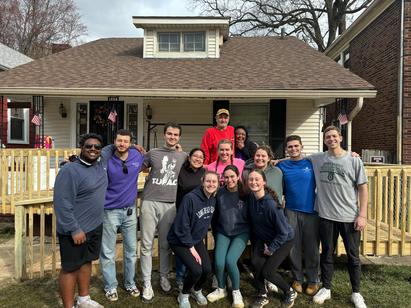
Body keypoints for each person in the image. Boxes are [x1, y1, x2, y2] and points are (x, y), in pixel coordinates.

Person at [310, 126, 368, 308]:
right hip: (326, 215)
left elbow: (363, 188)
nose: (331, 139)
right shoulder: (318, 158)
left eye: (334, 136)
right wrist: (273, 160)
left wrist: (363, 215)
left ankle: (356, 293)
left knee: (353, 256)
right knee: (327, 252)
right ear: (324, 140)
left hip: (349, 217)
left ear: (340, 138)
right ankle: (326, 288)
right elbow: (295, 157)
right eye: (327, 137)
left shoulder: (353, 160)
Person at [54, 133, 107, 308]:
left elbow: (116, 147)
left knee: (86, 262)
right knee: (70, 268)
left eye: (97, 147)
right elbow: (62, 203)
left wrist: (136, 147)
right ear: (81, 148)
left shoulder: (100, 164)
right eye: (89, 146)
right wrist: (73, 229)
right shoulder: (70, 170)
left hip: (94, 226)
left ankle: (83, 299)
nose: (93, 149)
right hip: (75, 231)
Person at [140, 122, 188, 303]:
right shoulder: (152, 153)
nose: (172, 137)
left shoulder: (183, 155)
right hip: (150, 202)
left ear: (179, 137)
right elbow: (137, 167)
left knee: (166, 244)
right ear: (164, 135)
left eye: (175, 135)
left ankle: (164, 276)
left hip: (170, 204)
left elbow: (198, 166)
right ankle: (146, 283)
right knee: (146, 244)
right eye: (169, 134)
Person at [99, 129, 145, 302]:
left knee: (131, 251)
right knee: (108, 252)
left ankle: (129, 282)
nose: (122, 144)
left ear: (131, 143)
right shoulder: (107, 156)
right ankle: (110, 286)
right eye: (119, 141)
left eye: (126, 141)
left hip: (130, 211)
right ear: (114, 141)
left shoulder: (137, 156)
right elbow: (94, 153)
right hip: (109, 211)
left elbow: (150, 161)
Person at [167, 171, 220, 308]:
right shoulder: (190, 198)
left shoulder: (213, 198)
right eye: (208, 181)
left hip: (195, 239)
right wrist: (191, 248)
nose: (211, 184)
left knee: (207, 269)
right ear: (202, 182)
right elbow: (181, 225)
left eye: (214, 182)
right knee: (196, 270)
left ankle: (196, 290)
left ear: (218, 184)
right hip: (179, 240)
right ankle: (183, 295)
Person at [247, 169, 297, 308]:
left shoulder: (271, 205)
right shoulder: (252, 198)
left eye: (257, 179)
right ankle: (262, 294)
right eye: (251, 179)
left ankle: (289, 291)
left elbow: (283, 232)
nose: (253, 182)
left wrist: (271, 248)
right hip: (264, 239)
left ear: (264, 182)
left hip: (283, 240)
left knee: (268, 272)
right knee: (256, 263)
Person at [277, 135, 319, 295]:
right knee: (293, 246)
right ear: (287, 149)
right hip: (291, 211)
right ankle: (297, 278)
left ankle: (314, 279)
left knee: (312, 247)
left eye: (296, 146)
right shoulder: (283, 166)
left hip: (311, 211)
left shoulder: (311, 163)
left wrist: (352, 154)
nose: (293, 149)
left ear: (301, 147)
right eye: (290, 147)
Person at [207, 165, 249, 308]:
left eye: (232, 176)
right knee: (219, 262)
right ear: (223, 179)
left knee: (230, 261)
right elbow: (215, 213)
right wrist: (215, 232)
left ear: (238, 177)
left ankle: (236, 292)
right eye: (226, 177)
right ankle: (221, 288)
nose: (229, 179)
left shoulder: (246, 193)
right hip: (223, 232)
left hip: (241, 232)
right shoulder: (220, 193)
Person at [175, 148, 206, 290]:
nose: (198, 159)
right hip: (181, 215)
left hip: (198, 217)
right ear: (189, 157)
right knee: (183, 246)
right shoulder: (180, 171)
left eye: (201, 157)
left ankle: (192, 274)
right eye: (195, 156)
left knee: (196, 246)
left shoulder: (204, 173)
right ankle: (180, 277)